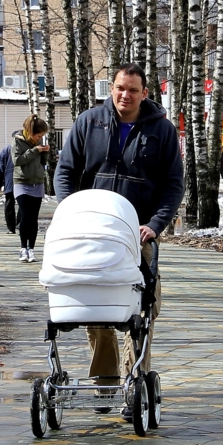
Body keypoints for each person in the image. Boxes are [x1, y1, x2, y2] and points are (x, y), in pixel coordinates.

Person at [55, 62, 184, 410]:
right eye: (119, 88)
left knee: (139, 313)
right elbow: (65, 172)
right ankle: (105, 385)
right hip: (91, 233)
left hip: (138, 236)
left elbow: (174, 185)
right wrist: (72, 214)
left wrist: (155, 225)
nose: (124, 95)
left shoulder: (161, 131)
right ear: (111, 89)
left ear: (144, 94)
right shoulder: (89, 122)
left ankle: (134, 383)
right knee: (95, 309)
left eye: (132, 90)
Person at [11, 116, 50, 262]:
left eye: (42, 136)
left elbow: (42, 162)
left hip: (37, 182)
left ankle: (31, 249)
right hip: (22, 182)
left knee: (34, 218)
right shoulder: (17, 140)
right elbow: (17, 160)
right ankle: (23, 248)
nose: (40, 138)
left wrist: (44, 152)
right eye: (39, 135)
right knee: (26, 215)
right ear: (30, 132)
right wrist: (34, 150)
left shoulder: (38, 143)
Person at [0, 142, 17, 233]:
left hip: (9, 180)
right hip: (25, 181)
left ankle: (11, 227)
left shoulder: (6, 150)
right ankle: (20, 224)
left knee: (9, 203)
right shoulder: (28, 148)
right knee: (24, 203)